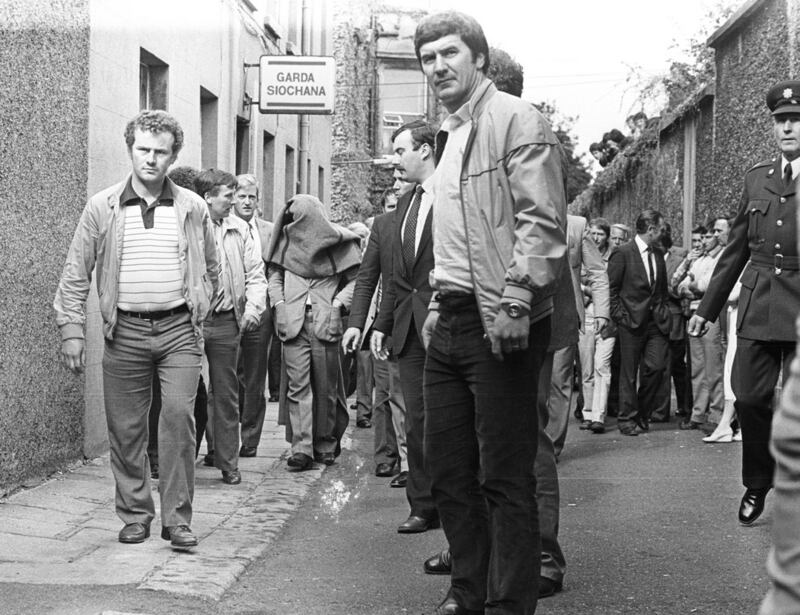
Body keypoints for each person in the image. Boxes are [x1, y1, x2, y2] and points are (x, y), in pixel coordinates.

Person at [414, 11, 567, 614]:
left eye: (449, 53)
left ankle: (510, 605)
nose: (438, 67)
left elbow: (541, 220)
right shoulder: (452, 132)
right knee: (448, 473)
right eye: (428, 58)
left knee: (504, 476)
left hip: (500, 319)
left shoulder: (515, 119)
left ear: (478, 57)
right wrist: (435, 300)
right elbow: (458, 234)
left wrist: (517, 298)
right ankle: (467, 593)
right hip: (449, 317)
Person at [54, 110, 219, 549]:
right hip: (123, 330)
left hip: (179, 330)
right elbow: (76, 271)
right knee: (126, 428)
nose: (150, 159)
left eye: (160, 152)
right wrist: (72, 327)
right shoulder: (102, 206)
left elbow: (213, 267)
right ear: (130, 149)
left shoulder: (192, 207)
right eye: (143, 149)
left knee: (179, 417)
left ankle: (178, 519)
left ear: (173, 156)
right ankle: (135, 514)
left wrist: (202, 304)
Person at [688, 81, 800, 526]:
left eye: (795, 120)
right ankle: (759, 479)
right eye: (781, 121)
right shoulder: (757, 176)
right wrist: (705, 309)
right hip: (758, 302)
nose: (788, 128)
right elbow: (735, 250)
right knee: (749, 396)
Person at [371, 120, 440, 533]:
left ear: (426, 151)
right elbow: (397, 273)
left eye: (400, 151)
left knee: (449, 420)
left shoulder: (450, 194)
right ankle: (422, 504)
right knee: (415, 419)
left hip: (447, 322)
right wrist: (382, 322)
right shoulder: (407, 203)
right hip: (409, 329)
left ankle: (455, 505)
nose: (396, 160)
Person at [267, 195, 361, 471]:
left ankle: (325, 443)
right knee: (298, 387)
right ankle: (301, 449)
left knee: (326, 386)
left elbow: (357, 280)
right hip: (292, 323)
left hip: (325, 321)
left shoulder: (339, 243)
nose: (293, 224)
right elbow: (273, 276)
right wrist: (280, 304)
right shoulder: (284, 243)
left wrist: (337, 304)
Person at [196, 169, 266, 485]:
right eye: (228, 195)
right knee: (185, 393)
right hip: (191, 323)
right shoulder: (189, 225)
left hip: (226, 322)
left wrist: (253, 308)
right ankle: (172, 459)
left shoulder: (240, 230)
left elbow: (255, 274)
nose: (233, 201)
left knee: (226, 394)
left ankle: (228, 462)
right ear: (208, 197)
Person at [341, 215, 409, 484]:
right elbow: (367, 279)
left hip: (413, 320)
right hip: (381, 324)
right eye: (391, 205)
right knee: (384, 394)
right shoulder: (382, 228)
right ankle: (386, 457)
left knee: (406, 395)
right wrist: (357, 324)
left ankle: (410, 461)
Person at [545, 214, 609, 457]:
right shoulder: (520, 211)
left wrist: (602, 312)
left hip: (565, 314)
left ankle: (551, 448)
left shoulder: (576, 225)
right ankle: (532, 444)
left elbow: (597, 271)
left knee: (559, 382)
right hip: (530, 314)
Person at [608, 210, 672, 436]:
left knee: (656, 368)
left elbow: (662, 290)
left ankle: (642, 413)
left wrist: (664, 312)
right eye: (661, 228)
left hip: (656, 323)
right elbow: (612, 290)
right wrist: (621, 317)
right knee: (628, 373)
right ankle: (626, 419)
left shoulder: (658, 253)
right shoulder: (622, 253)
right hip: (631, 323)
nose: (663, 232)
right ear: (651, 229)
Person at [233, 173, 274, 458]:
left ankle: (250, 439)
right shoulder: (224, 226)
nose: (247, 202)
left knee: (255, 377)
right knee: (228, 376)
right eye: (242, 196)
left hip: (261, 313)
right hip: (229, 313)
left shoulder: (269, 231)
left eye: (252, 197)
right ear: (232, 198)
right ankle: (223, 437)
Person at [678, 225, 725, 433]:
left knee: (714, 367)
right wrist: (693, 287)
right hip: (694, 313)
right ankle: (698, 413)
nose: (707, 239)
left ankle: (716, 415)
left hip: (711, 315)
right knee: (697, 368)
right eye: (706, 235)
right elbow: (679, 286)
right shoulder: (700, 258)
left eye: (712, 234)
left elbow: (707, 286)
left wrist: (694, 287)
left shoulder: (722, 258)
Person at [579, 217, 617, 433]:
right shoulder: (581, 253)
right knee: (586, 368)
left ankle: (598, 415)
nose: (596, 237)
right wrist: (589, 291)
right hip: (585, 314)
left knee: (602, 365)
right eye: (592, 233)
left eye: (600, 234)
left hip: (607, 317)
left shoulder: (615, 256)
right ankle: (587, 411)